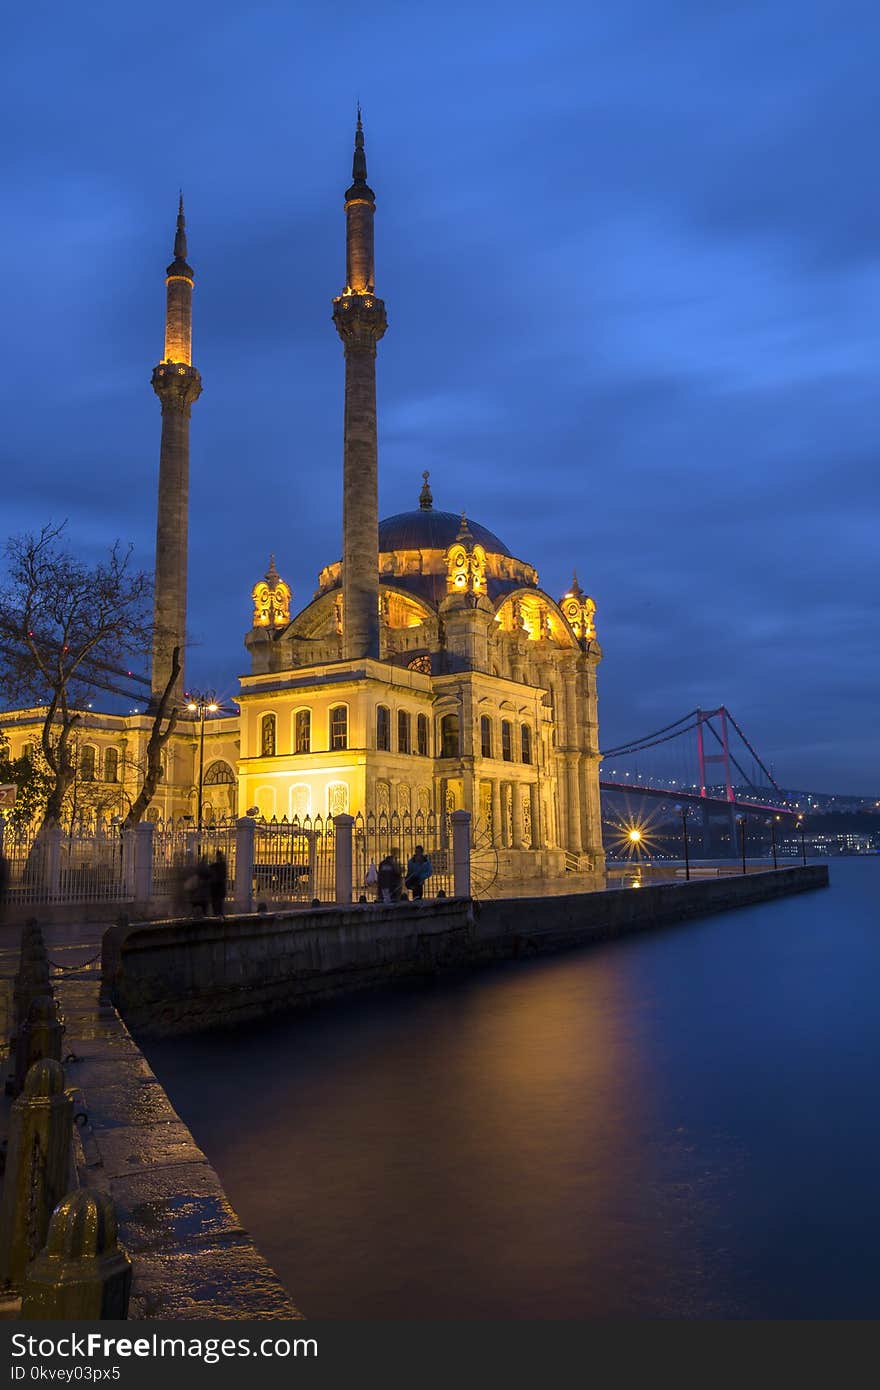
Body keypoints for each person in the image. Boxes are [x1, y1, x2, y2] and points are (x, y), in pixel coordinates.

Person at [208, 849, 227, 917]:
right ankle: (220, 915)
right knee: (219, 904)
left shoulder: (216, 865)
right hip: (220, 888)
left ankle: (217, 915)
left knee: (216, 904)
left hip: (216, 888)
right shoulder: (223, 865)